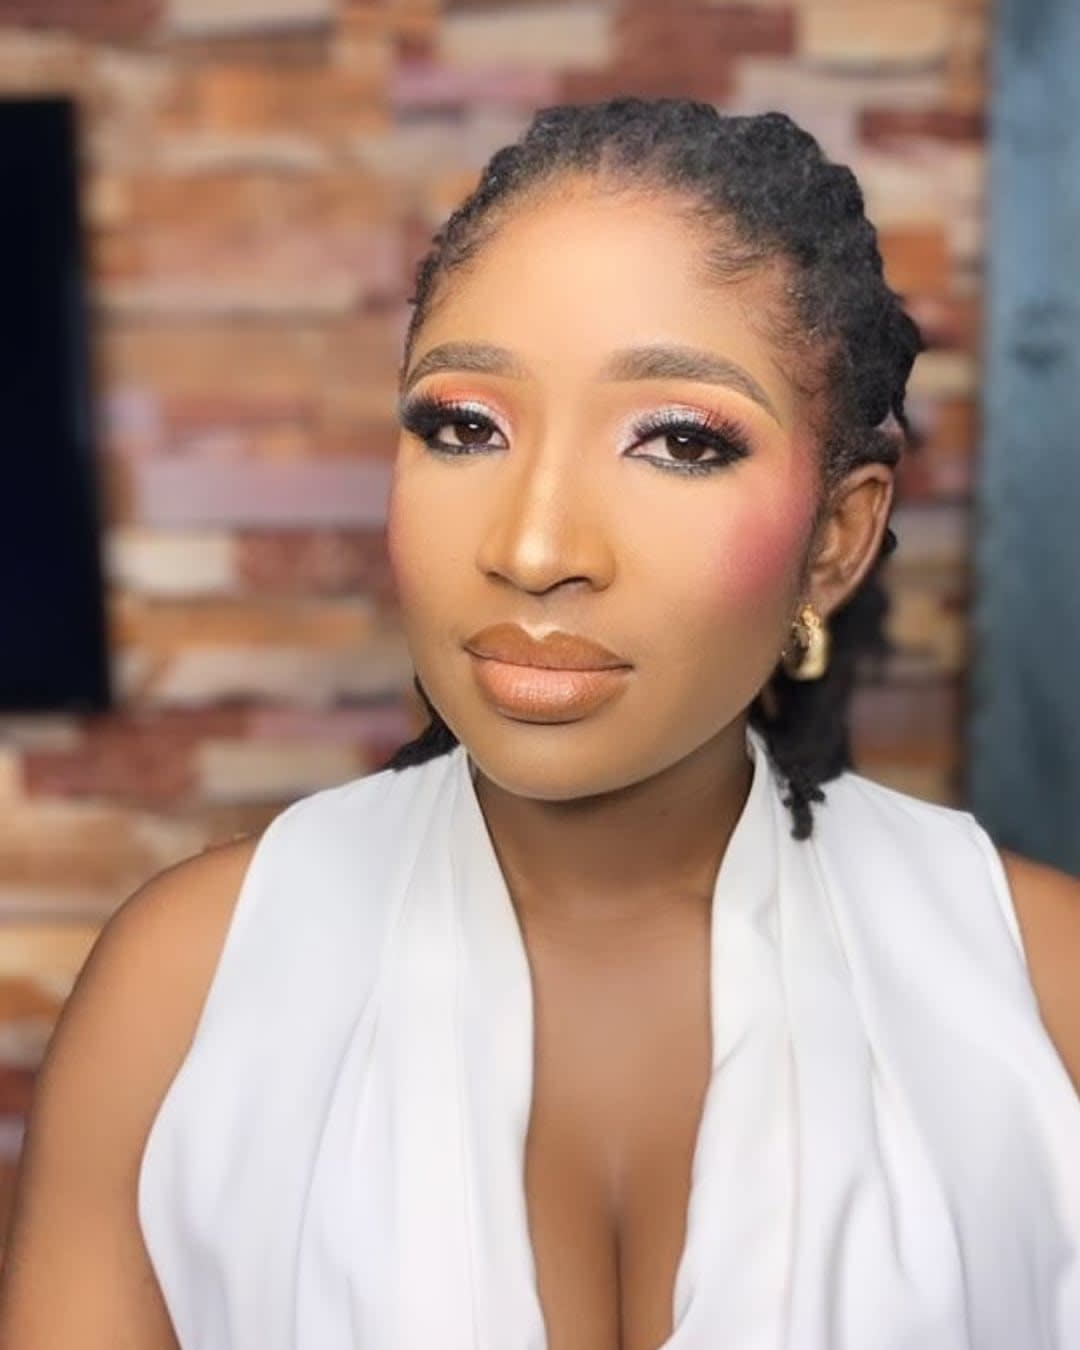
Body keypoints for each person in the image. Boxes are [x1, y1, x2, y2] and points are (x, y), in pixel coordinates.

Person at [0, 99, 1077, 1350]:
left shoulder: (1044, 990)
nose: (532, 546)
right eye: (465, 428)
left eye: (679, 441)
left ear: (836, 541)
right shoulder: (182, 985)